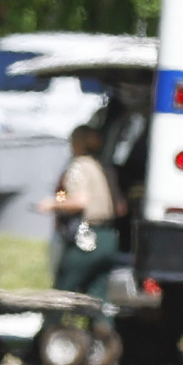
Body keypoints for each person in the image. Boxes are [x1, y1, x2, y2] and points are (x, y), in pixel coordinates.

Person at [38, 125, 127, 294]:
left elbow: (79, 200)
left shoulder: (78, 166)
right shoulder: (105, 167)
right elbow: (121, 207)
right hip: (108, 238)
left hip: (86, 237)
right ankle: (101, 321)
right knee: (99, 297)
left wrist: (52, 204)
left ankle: (54, 321)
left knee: (63, 291)